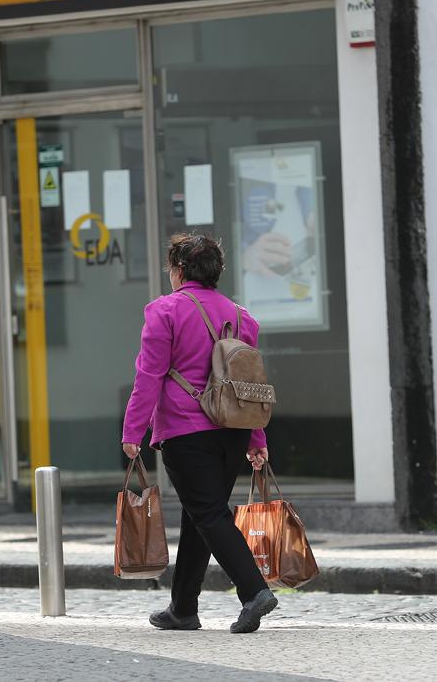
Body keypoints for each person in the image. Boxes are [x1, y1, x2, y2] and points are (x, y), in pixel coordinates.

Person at [121, 233, 276, 634]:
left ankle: (254, 591)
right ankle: (183, 608)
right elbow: (250, 386)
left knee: (208, 514)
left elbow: (149, 376)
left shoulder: (165, 311)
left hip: (186, 432)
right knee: (199, 517)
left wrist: (133, 431)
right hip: (234, 432)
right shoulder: (243, 318)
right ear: (216, 272)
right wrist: (257, 442)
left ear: (179, 270)